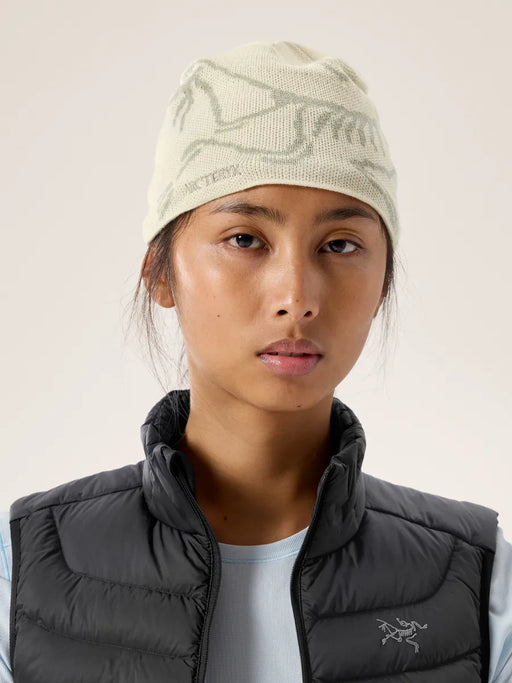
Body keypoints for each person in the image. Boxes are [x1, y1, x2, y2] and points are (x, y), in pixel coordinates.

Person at [1, 40, 511, 683]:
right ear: (160, 272)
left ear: (384, 281)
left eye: (340, 244)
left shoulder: (479, 581)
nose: (297, 296)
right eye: (245, 239)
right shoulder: (22, 573)